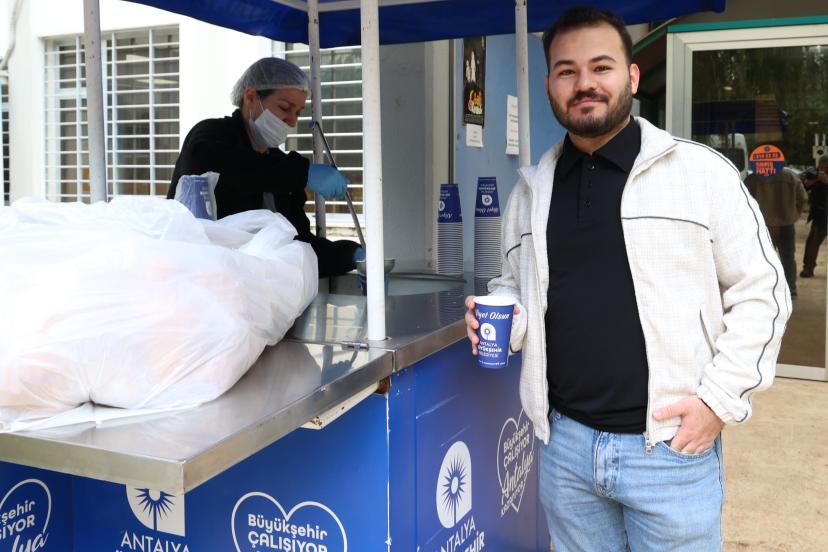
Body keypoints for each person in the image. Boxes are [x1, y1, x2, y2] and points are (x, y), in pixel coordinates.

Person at [463, 7, 789, 551]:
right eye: (567, 71)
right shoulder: (531, 190)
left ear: (632, 77)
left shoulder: (700, 173)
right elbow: (516, 287)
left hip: (669, 449)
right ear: (549, 85)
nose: (584, 83)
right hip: (565, 448)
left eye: (601, 67)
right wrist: (502, 317)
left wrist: (718, 402)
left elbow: (763, 292)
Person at [168, 57, 361, 277]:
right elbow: (223, 163)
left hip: (259, 288)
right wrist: (301, 173)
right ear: (250, 97)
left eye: (298, 113)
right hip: (200, 281)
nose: (292, 121)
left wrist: (351, 256)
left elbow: (299, 247)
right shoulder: (210, 135)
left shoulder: (282, 169)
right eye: (285, 108)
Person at [744, 167, 806, 296]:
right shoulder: (790, 176)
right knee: (788, 258)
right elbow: (803, 198)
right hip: (787, 224)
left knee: (764, 258)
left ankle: (766, 290)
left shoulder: (753, 178)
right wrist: (794, 214)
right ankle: (791, 289)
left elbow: (743, 201)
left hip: (763, 225)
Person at [800, 156, 828, 278]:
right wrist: (810, 182)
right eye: (820, 167)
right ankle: (808, 268)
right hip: (820, 214)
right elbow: (802, 184)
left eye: (825, 167)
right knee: (813, 241)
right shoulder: (814, 174)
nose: (822, 170)